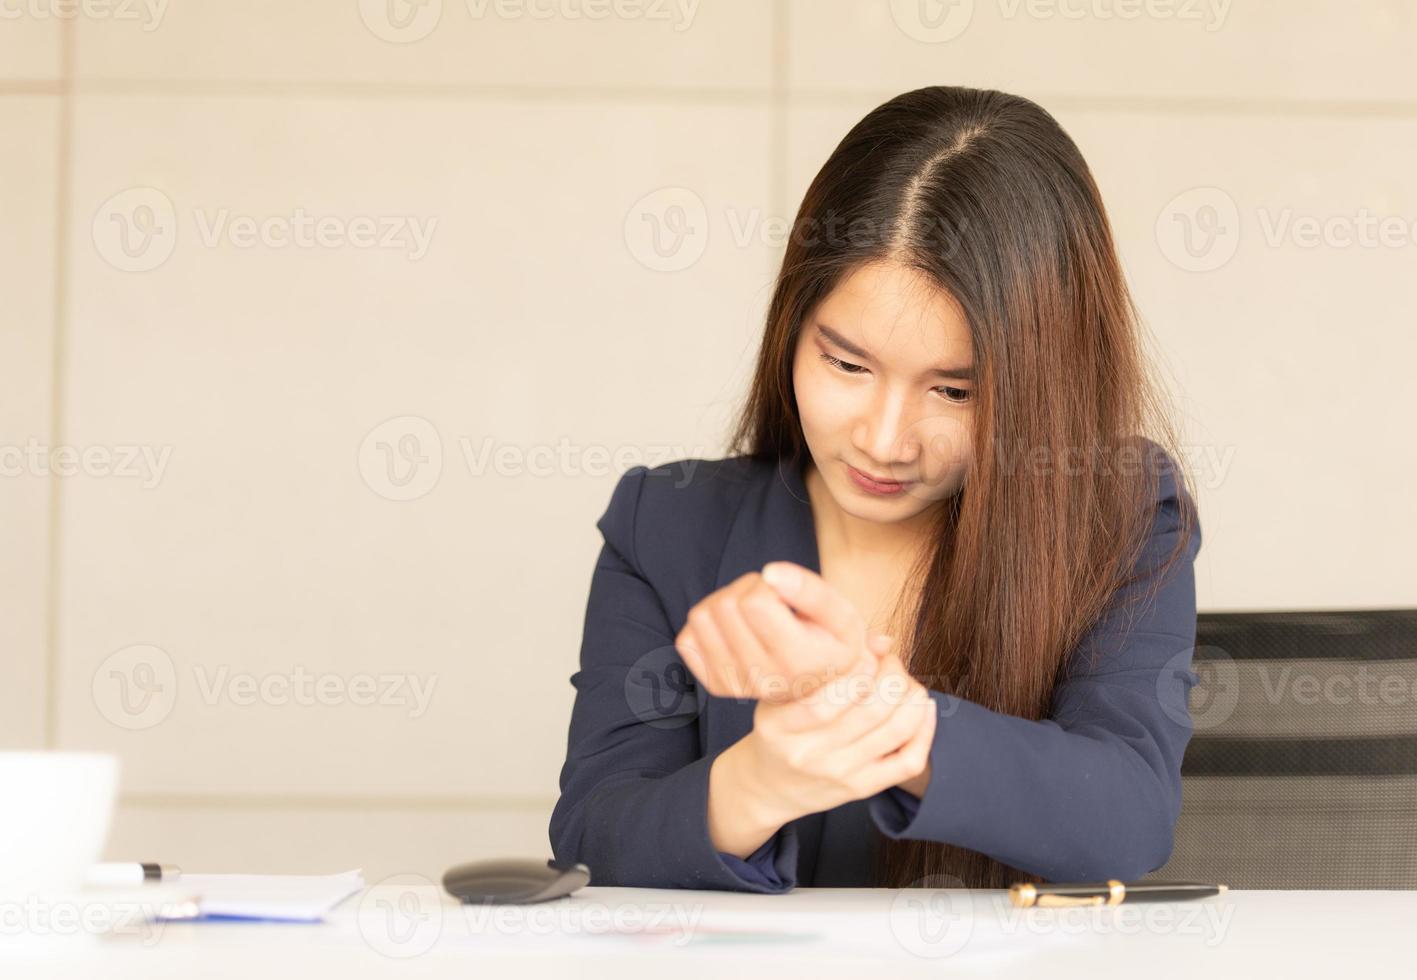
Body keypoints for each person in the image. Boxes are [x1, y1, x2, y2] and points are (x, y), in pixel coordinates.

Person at [549, 85, 1202, 893]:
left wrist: (886, 719)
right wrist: (759, 780)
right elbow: (590, 834)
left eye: (954, 392)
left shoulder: (1121, 513)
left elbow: (1128, 818)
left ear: (1046, 387)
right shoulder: (669, 523)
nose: (883, 440)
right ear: (793, 323)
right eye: (846, 365)